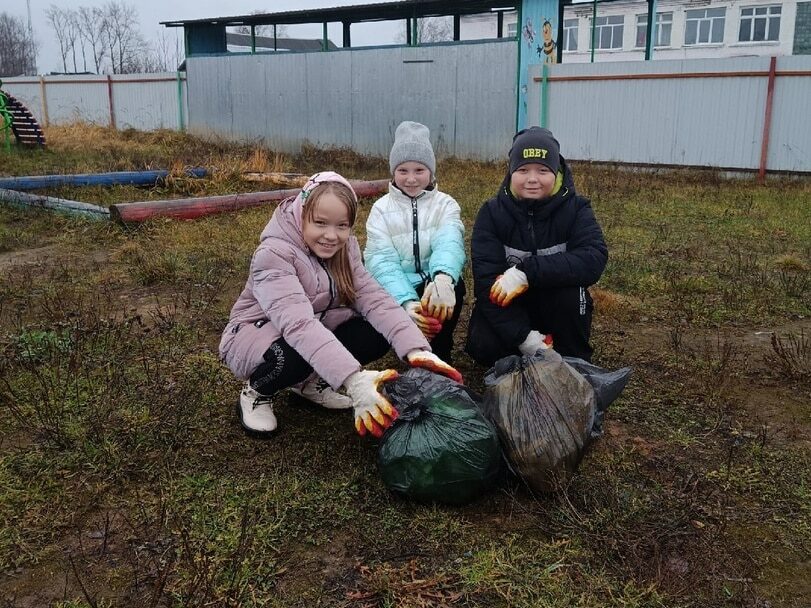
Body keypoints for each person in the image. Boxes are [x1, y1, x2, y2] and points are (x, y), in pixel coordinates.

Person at [219, 171, 462, 438]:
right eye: (320, 223)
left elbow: (376, 299)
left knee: (375, 332)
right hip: (259, 333)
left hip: (316, 326)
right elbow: (298, 325)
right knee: (294, 355)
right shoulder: (273, 254)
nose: (331, 236)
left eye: (342, 226)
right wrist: (353, 380)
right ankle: (257, 392)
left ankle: (312, 385)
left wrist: (415, 348)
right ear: (302, 214)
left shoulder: (345, 251)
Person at [465, 126, 607, 365]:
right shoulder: (491, 213)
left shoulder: (577, 209)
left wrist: (527, 272)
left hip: (557, 305)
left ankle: (572, 360)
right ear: (511, 173)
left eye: (543, 170)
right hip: (512, 310)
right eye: (522, 170)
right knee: (483, 344)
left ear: (557, 172)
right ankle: (521, 354)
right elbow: (486, 282)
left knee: (573, 295)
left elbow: (593, 259)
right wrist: (525, 338)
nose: (532, 179)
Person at [364, 121, 466, 363]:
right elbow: (381, 261)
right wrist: (407, 302)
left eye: (419, 170)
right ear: (393, 172)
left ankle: (441, 350)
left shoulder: (446, 204)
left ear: (431, 171)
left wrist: (442, 277)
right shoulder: (380, 210)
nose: (411, 179)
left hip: (433, 284)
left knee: (456, 287)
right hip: (399, 286)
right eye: (403, 171)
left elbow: (450, 241)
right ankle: (411, 344)